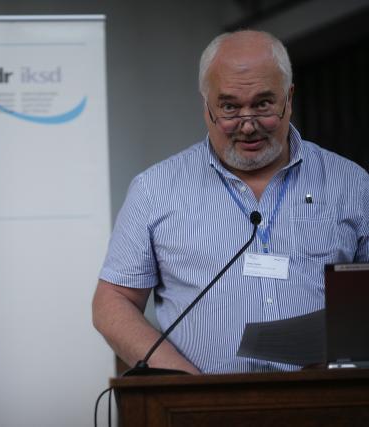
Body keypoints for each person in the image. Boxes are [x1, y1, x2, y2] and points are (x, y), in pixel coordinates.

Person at [92, 30, 369, 374]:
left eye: (263, 104)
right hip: (205, 404)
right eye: (230, 107)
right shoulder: (155, 189)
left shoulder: (352, 182)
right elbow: (113, 302)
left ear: (289, 97)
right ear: (205, 104)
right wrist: (182, 384)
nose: (248, 124)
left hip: (330, 401)